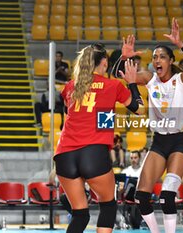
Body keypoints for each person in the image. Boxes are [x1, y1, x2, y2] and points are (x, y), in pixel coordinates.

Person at [117, 18, 183, 233]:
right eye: (155, 57)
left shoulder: (181, 80)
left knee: (167, 197)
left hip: (178, 143)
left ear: (171, 60)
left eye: (162, 57)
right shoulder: (149, 79)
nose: (157, 60)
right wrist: (124, 57)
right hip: (158, 142)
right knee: (141, 197)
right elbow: (118, 74)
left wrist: (181, 44)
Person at [53, 42, 145, 233]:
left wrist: (122, 59)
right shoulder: (113, 86)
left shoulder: (71, 86)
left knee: (80, 215)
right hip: (93, 152)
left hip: (64, 156)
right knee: (108, 206)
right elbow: (139, 109)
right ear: (104, 62)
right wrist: (132, 82)